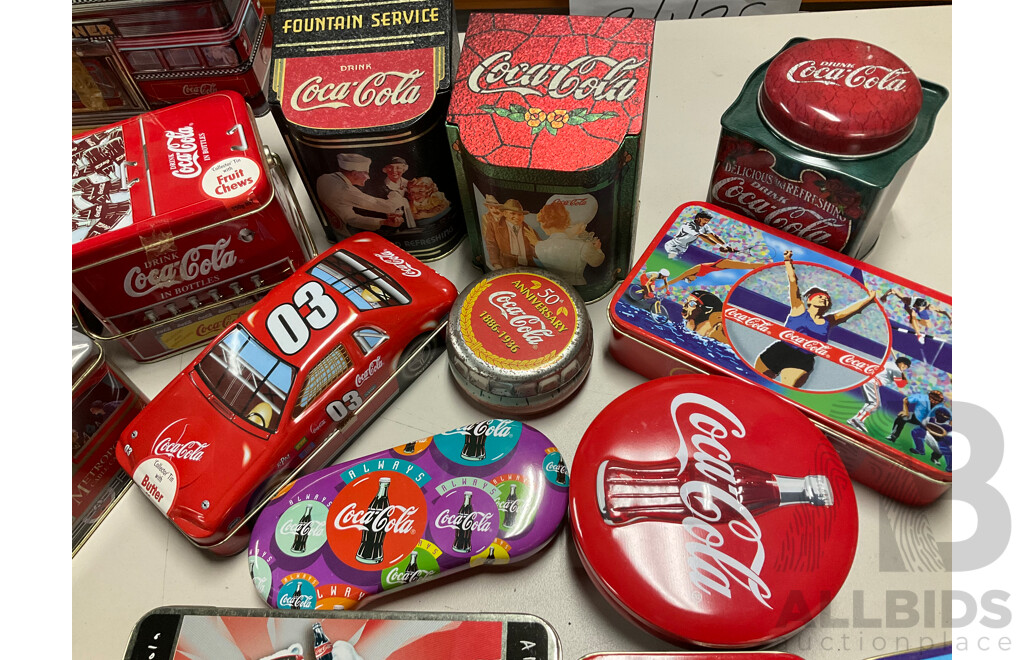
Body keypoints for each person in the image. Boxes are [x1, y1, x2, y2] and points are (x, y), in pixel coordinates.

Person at [754, 250, 879, 388]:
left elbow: (850, 311)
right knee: (755, 382)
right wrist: (788, 262)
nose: (824, 300)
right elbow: (793, 282)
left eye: (827, 300)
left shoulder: (829, 321)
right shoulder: (798, 309)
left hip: (802, 359)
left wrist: (869, 300)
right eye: (820, 297)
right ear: (810, 301)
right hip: (780, 350)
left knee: (785, 391)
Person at [316, 153, 405, 235]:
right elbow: (387, 207)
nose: (368, 177)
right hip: (342, 236)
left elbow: (351, 219)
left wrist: (384, 222)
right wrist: (397, 195)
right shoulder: (346, 191)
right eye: (366, 173)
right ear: (354, 174)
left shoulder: (324, 178)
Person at [534, 202, 605, 285]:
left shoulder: (539, 246)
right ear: (566, 221)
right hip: (577, 286)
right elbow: (596, 262)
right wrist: (598, 249)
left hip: (552, 286)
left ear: (544, 225)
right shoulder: (583, 246)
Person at [847, 355, 912, 433]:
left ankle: (855, 419)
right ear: (901, 363)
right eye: (904, 366)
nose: (904, 368)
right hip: (873, 382)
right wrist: (904, 379)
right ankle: (858, 420)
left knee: (870, 403)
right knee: (876, 404)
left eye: (906, 367)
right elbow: (900, 385)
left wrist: (902, 376)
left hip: (869, 380)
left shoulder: (890, 364)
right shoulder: (896, 370)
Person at [881, 288, 952, 344]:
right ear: (915, 305)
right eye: (919, 308)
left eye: (922, 309)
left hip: (919, 308)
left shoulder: (928, 306)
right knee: (913, 314)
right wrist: (884, 296)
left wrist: (950, 318)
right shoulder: (907, 300)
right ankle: (919, 335)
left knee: (929, 325)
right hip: (910, 307)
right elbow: (893, 290)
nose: (920, 310)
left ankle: (914, 321)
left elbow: (943, 311)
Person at [483, 198, 539, 268]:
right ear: (505, 213)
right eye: (513, 213)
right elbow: (492, 246)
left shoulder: (529, 230)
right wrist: (496, 264)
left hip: (529, 269)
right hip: (506, 267)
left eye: (520, 214)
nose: (517, 217)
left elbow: (539, 253)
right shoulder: (493, 226)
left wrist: (537, 243)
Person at [664, 210, 737, 259]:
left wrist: (726, 246)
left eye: (708, 221)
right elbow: (703, 237)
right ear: (698, 218)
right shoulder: (687, 225)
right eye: (705, 220)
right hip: (673, 246)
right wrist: (719, 247)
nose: (706, 222)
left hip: (683, 249)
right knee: (671, 260)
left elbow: (713, 236)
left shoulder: (705, 226)